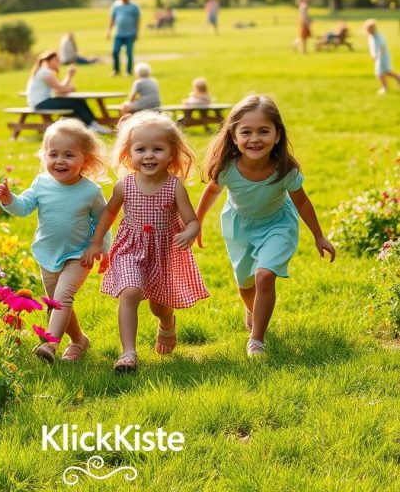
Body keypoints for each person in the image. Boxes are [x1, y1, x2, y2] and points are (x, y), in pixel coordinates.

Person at [196, 92, 335, 358]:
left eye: (263, 131)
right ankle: (252, 310)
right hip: (239, 228)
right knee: (246, 283)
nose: (255, 139)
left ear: (277, 135)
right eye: (246, 132)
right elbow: (211, 192)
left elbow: (303, 202)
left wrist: (319, 236)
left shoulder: (285, 169)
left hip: (277, 225)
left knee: (264, 275)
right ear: (234, 137)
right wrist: (197, 222)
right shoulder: (227, 168)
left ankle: (256, 340)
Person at [82, 111, 209, 373]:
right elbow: (109, 212)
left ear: (171, 153)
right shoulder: (124, 186)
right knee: (130, 292)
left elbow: (193, 220)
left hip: (163, 253)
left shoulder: (174, 187)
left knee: (158, 305)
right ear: (129, 154)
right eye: (141, 149)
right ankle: (128, 353)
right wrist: (96, 242)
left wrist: (190, 233)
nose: (149, 155)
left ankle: (166, 323)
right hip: (131, 248)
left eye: (157, 149)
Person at [0, 118, 111, 363]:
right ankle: (79, 340)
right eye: (53, 154)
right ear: (44, 156)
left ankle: (49, 344)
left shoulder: (90, 192)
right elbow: (23, 207)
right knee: (56, 301)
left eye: (69, 155)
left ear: (85, 160)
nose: (59, 161)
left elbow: (103, 221)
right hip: (48, 253)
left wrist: (99, 247)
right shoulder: (41, 183)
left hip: (79, 254)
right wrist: (8, 199)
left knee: (62, 297)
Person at [27, 50, 111, 133]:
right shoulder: (45, 72)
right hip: (41, 103)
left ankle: (86, 126)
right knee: (77, 103)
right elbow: (60, 88)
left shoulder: (43, 71)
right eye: (56, 60)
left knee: (76, 103)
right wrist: (69, 75)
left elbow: (58, 89)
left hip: (40, 102)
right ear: (48, 61)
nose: (58, 62)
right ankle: (93, 125)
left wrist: (67, 87)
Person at [106, 0, 141, 77]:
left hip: (130, 33)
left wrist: (137, 32)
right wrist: (108, 31)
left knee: (129, 53)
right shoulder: (116, 5)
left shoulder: (134, 6)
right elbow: (112, 19)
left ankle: (128, 72)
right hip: (119, 33)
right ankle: (116, 70)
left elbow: (137, 20)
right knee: (115, 52)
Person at [364, 19, 400, 94]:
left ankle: (384, 88)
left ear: (373, 28)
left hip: (382, 57)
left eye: (368, 28)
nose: (367, 30)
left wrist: (377, 57)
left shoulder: (379, 36)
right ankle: (398, 78)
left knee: (380, 73)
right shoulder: (371, 36)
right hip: (378, 57)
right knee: (387, 71)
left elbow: (382, 47)